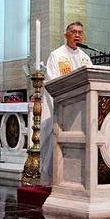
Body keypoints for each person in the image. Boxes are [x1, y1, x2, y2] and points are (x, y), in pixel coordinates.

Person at [40, 21, 92, 185]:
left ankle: (76, 177)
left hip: (82, 108)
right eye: (74, 32)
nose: (77, 35)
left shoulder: (85, 57)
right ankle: (51, 178)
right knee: (55, 140)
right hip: (62, 107)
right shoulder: (57, 55)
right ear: (66, 34)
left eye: (80, 32)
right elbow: (52, 82)